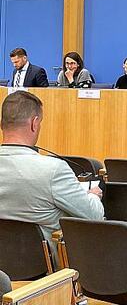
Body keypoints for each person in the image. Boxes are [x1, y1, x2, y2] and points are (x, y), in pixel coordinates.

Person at [0, 91, 103, 254]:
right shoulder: (53, 170)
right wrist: (93, 196)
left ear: (2, 124)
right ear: (34, 123)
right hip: (48, 273)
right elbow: (94, 217)